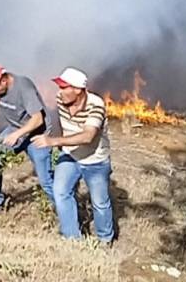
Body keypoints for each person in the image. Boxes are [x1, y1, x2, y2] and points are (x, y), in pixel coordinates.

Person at [32, 67, 115, 243]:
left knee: (100, 203)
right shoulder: (60, 100)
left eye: (64, 87)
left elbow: (88, 136)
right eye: (60, 87)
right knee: (60, 192)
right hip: (70, 156)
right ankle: (72, 238)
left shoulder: (96, 105)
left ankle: (105, 241)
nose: (59, 92)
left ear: (78, 90)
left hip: (95, 161)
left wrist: (53, 141)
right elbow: (57, 122)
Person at [0, 63, 56, 212]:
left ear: (4, 80)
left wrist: (17, 135)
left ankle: (62, 210)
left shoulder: (24, 88)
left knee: (45, 179)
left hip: (38, 134)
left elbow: (38, 119)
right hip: (16, 129)